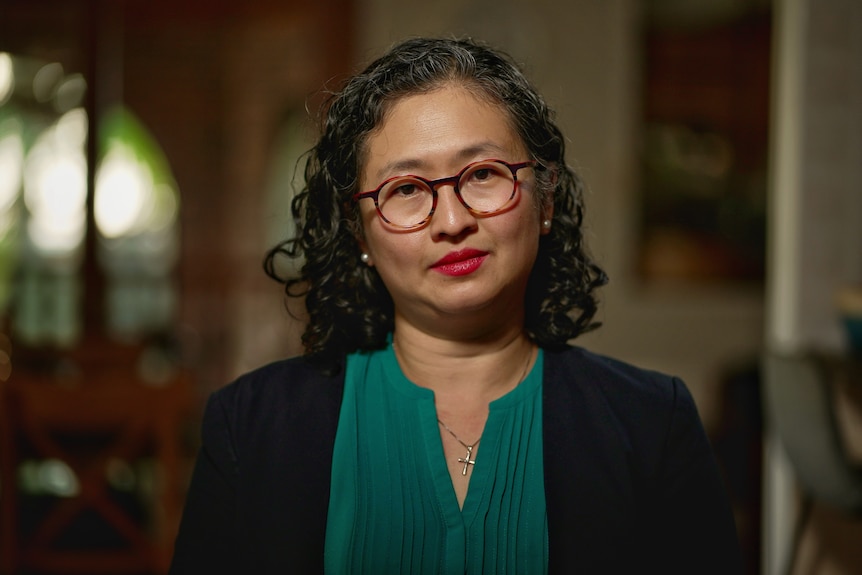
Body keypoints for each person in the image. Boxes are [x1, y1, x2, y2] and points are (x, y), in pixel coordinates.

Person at [169, 37, 742, 574]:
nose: (452, 221)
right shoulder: (248, 427)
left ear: (545, 199)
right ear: (360, 233)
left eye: (484, 174)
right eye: (407, 189)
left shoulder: (652, 423)